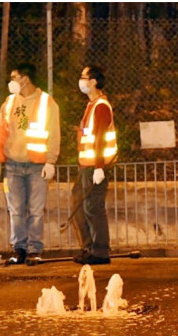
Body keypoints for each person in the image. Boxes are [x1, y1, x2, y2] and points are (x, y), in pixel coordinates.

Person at [0, 63, 60, 264]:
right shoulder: (10, 102)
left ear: (25, 79)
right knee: (16, 210)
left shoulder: (47, 102)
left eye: (14, 77)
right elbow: (0, 132)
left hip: (37, 165)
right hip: (12, 165)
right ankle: (18, 248)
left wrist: (51, 161)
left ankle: (34, 249)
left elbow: (54, 134)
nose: (11, 81)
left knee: (36, 210)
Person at [72, 65, 117, 265]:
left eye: (84, 77)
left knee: (93, 208)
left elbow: (99, 137)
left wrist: (99, 166)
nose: (81, 81)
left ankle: (100, 251)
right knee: (80, 207)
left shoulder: (100, 106)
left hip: (94, 167)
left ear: (94, 81)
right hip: (87, 166)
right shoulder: (92, 105)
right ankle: (89, 247)